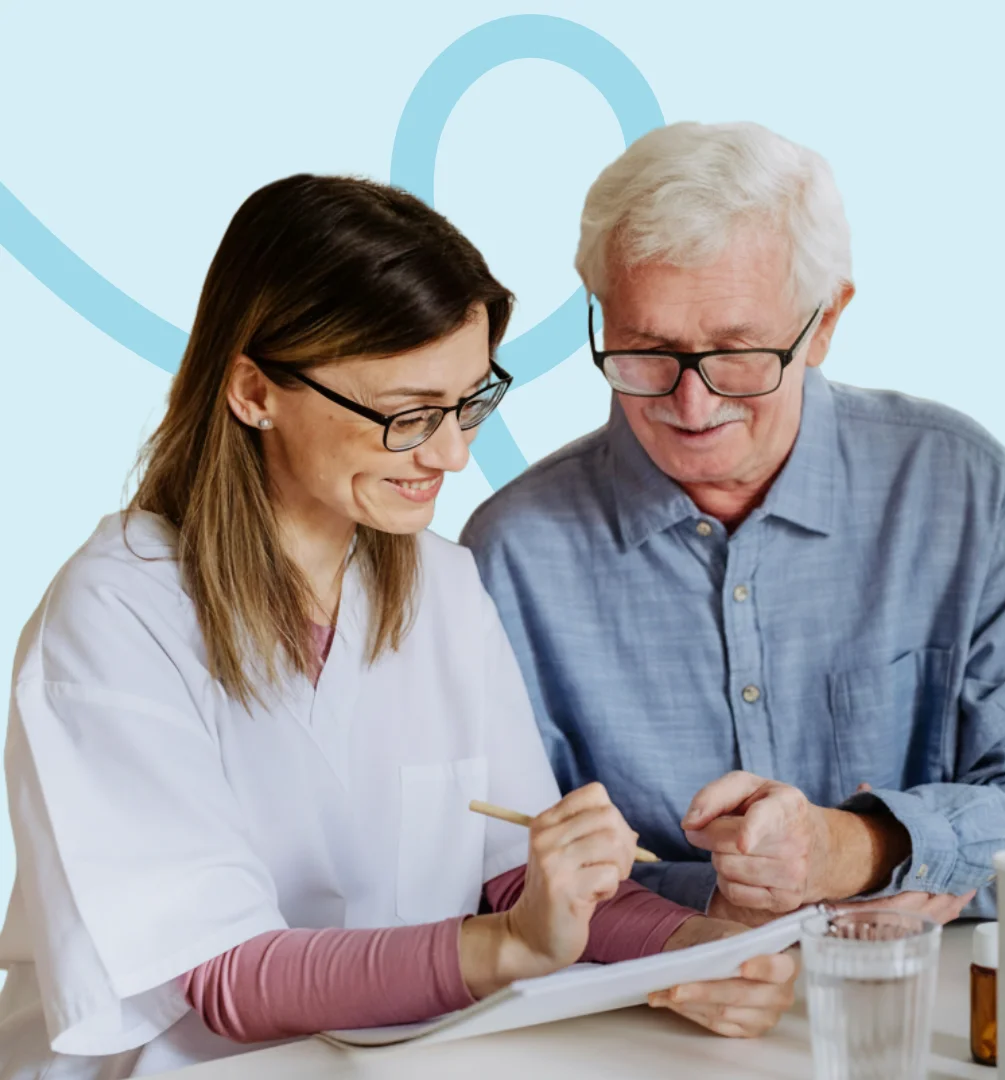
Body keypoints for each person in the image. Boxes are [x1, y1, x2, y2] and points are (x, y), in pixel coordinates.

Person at [0, 175, 799, 1079]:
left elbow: (513, 878)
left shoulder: (440, 583)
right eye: (408, 415)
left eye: (468, 403)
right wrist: (506, 948)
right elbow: (226, 977)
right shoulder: (118, 614)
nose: (454, 455)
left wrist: (699, 947)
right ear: (255, 390)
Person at [461, 121, 1005, 929]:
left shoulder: (960, 493)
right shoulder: (512, 554)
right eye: (647, 350)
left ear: (824, 323)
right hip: (639, 1031)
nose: (693, 404)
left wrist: (853, 849)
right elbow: (494, 876)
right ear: (600, 319)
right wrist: (708, 906)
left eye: (738, 351)